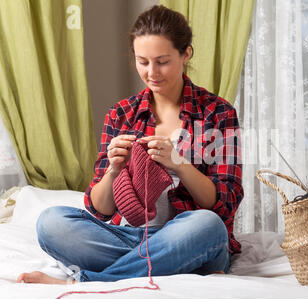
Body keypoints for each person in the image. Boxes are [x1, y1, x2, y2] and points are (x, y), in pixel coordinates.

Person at [17, 4, 244, 284]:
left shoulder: (219, 113)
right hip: (129, 236)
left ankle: (85, 282)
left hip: (188, 232)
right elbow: (100, 209)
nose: (152, 73)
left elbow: (225, 203)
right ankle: (174, 265)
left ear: (186, 54)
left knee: (208, 226)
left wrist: (179, 164)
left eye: (162, 61)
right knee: (51, 223)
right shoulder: (121, 114)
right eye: (142, 61)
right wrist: (113, 170)